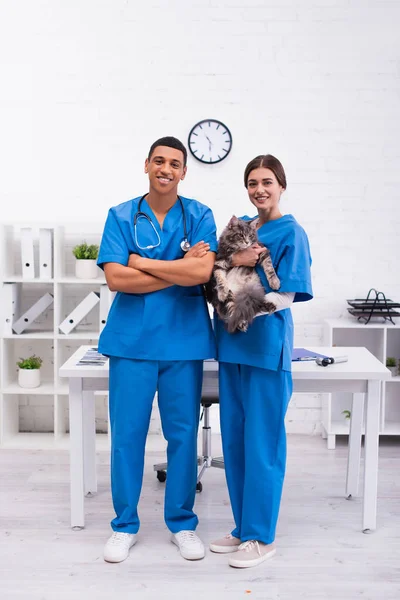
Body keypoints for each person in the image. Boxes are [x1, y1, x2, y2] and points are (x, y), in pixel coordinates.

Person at [97, 136, 217, 563]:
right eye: (159, 161)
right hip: (131, 344)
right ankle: (124, 525)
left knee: (182, 436)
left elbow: (202, 272)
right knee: (127, 437)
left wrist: (142, 262)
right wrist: (180, 271)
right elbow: (115, 279)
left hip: (182, 343)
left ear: (184, 172)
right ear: (146, 165)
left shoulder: (200, 215)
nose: (166, 169)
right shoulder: (121, 215)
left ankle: (182, 524)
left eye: (175, 163)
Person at [210, 154, 313, 568]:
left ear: (281, 185)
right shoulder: (245, 232)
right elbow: (216, 273)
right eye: (252, 183)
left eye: (267, 181)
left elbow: (286, 295)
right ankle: (243, 528)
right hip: (231, 347)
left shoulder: (292, 232)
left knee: (262, 444)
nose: (259, 189)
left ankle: (261, 536)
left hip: (265, 348)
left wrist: (238, 306)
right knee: (234, 441)